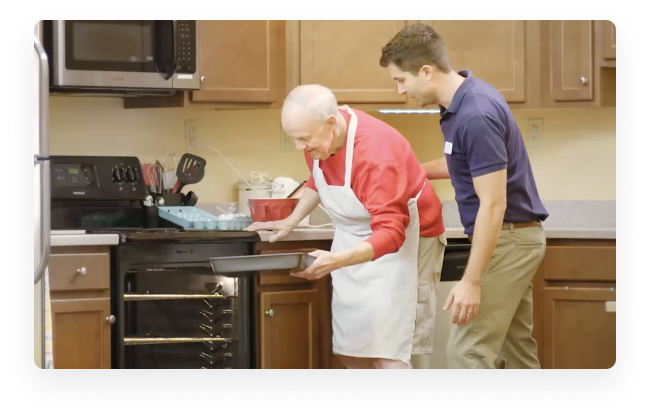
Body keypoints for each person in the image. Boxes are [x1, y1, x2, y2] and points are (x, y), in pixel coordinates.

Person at [379, 23, 550, 370]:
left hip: (507, 241)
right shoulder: (463, 102)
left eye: (401, 80)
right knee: (516, 351)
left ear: (426, 71)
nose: (400, 90)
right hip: (513, 239)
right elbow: (465, 162)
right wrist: (412, 171)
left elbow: (494, 204)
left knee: (467, 353)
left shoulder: (475, 115)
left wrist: (471, 282)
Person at [245, 84, 447, 369]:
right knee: (351, 347)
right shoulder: (319, 137)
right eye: (293, 138)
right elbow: (319, 175)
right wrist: (292, 219)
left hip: (404, 242)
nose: (299, 146)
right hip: (353, 240)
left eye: (303, 139)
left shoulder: (377, 155)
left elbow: (392, 232)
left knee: (390, 348)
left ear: (331, 123)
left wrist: (336, 260)